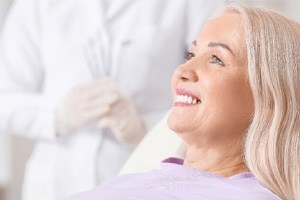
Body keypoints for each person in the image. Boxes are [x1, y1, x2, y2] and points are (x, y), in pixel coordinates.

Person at [67, 4, 300, 200]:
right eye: (191, 55)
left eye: (216, 59)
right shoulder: (128, 182)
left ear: (268, 97)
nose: (183, 70)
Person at [0, 0, 224, 199]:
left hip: (143, 172)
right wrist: (58, 114)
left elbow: (218, 88)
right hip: (56, 181)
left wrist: (146, 127)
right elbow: (5, 97)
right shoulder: (36, 4)